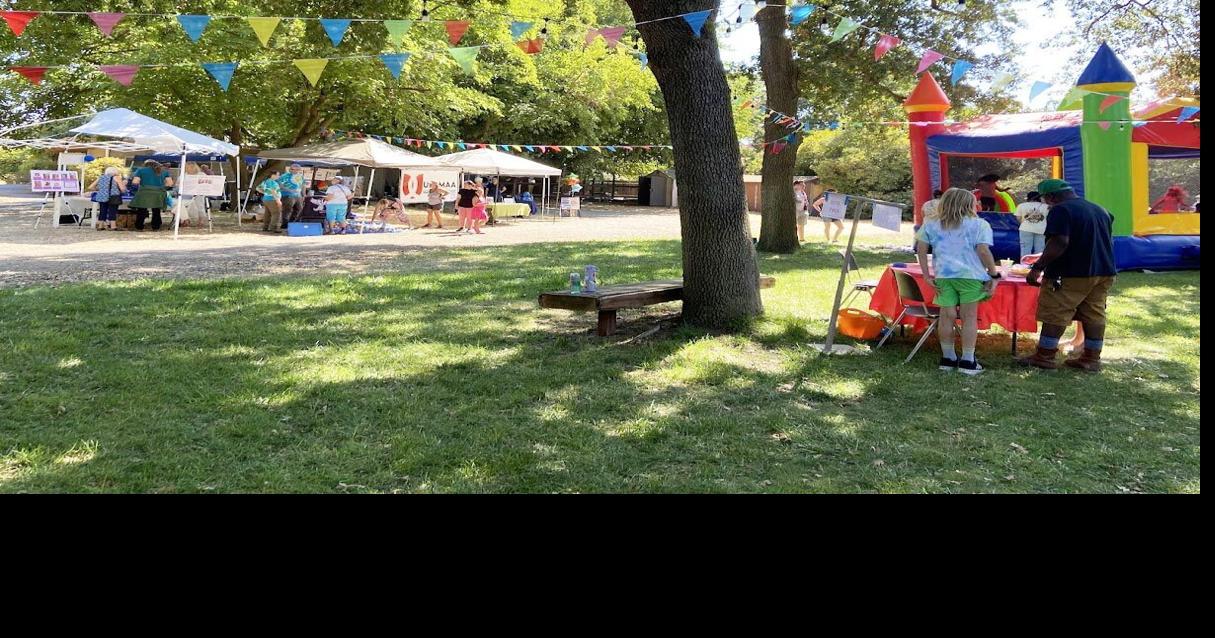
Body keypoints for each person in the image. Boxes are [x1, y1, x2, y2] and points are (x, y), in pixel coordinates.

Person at [1018, 179, 1117, 372]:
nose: (1046, 204)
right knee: (1094, 314)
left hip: (1070, 272)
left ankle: (1045, 356)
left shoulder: (1061, 210)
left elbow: (1060, 242)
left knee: (1056, 312)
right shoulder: (1100, 210)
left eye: (1045, 199)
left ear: (1051, 197)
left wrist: (1037, 267)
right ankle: (1091, 358)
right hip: (1104, 271)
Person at [915, 188, 1000, 375]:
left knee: (946, 316)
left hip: (943, 276)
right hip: (971, 276)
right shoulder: (980, 224)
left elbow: (921, 250)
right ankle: (968, 361)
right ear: (970, 205)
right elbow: (983, 251)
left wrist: (926, 275)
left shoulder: (931, 224)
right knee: (969, 318)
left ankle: (948, 358)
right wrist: (994, 274)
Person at [130, 160, 173, 231]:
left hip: (144, 192)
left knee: (142, 209)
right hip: (159, 193)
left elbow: (135, 182)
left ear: (146, 164)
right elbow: (170, 184)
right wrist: (161, 186)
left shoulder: (140, 170)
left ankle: (139, 226)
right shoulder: (164, 171)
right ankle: (156, 227)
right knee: (156, 210)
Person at [87, 166, 126, 231]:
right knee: (112, 211)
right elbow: (122, 189)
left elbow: (90, 187)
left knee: (102, 211)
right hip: (113, 196)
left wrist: (100, 190)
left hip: (102, 196)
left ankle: (100, 226)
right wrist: (124, 185)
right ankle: (113, 226)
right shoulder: (116, 177)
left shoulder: (101, 177)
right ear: (115, 172)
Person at [1014, 191, 1050, 258]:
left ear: (1028, 197)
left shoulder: (1021, 205)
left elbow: (1018, 218)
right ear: (1039, 197)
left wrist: (1025, 224)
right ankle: (1038, 263)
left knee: (1025, 249)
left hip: (1025, 229)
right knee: (1039, 249)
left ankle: (1024, 263)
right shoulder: (1046, 206)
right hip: (1041, 230)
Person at [278, 164, 306, 228]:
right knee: (287, 210)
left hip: (298, 195)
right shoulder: (284, 176)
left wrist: (304, 194)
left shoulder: (300, 176)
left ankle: (291, 223)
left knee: (299, 209)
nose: (295, 171)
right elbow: (279, 185)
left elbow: (303, 185)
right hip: (287, 195)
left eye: (297, 169)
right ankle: (285, 224)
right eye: (293, 169)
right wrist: (289, 190)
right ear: (289, 169)